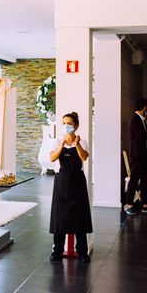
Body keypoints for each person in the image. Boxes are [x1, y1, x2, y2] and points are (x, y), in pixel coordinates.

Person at [48, 112, 93, 263]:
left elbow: (84, 157)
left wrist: (77, 143)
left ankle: (82, 252)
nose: (66, 126)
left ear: (76, 126)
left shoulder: (82, 141)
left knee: (79, 217)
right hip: (61, 182)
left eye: (69, 124)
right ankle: (58, 251)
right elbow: (53, 157)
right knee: (60, 218)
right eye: (63, 123)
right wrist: (62, 144)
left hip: (77, 182)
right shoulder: (57, 142)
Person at [123, 97, 147, 215]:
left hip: (144, 154)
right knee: (134, 179)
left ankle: (144, 204)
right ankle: (129, 204)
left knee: (145, 179)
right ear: (144, 108)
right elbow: (142, 136)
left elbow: (146, 137)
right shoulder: (135, 119)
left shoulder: (142, 120)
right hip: (137, 155)